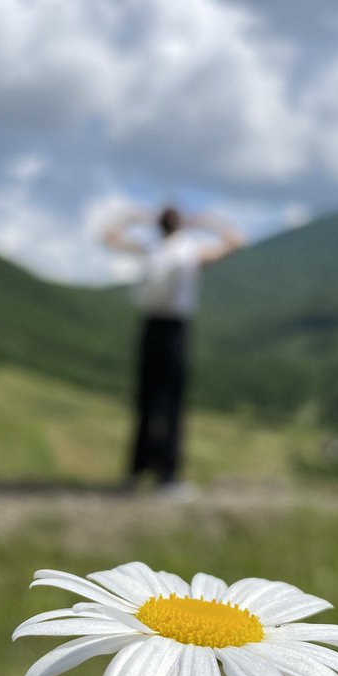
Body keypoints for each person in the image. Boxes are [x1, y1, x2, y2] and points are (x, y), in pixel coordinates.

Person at [101, 203, 246, 494]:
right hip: (170, 329)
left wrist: (134, 218)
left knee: (154, 401)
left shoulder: (162, 251)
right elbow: (235, 241)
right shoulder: (183, 253)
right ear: (179, 224)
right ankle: (160, 475)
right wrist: (206, 222)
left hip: (158, 327)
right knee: (163, 402)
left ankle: (146, 474)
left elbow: (109, 237)